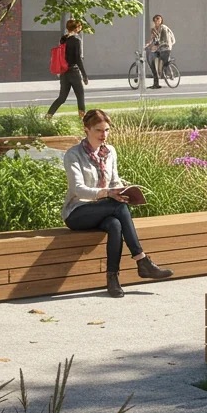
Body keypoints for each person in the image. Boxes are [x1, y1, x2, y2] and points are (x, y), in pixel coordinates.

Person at [63, 110, 174, 297]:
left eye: (106, 130)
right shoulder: (73, 154)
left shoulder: (110, 152)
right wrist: (108, 193)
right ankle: (141, 260)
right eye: (98, 130)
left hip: (104, 209)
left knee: (115, 225)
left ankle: (112, 279)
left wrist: (122, 190)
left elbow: (114, 181)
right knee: (119, 207)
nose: (103, 135)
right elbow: (78, 190)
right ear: (86, 129)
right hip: (77, 212)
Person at [46, 19, 88, 120]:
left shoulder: (63, 39)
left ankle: (48, 116)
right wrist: (84, 75)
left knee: (62, 97)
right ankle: (82, 119)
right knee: (80, 95)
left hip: (64, 71)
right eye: (80, 26)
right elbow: (77, 58)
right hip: (73, 71)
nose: (81, 28)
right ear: (77, 28)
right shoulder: (77, 40)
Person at [148, 14, 176, 89]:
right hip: (159, 48)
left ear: (161, 20)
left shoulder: (164, 28)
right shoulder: (153, 29)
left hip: (166, 47)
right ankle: (156, 82)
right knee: (150, 57)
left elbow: (164, 39)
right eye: (156, 19)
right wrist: (148, 45)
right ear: (154, 21)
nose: (157, 20)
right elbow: (152, 40)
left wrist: (156, 45)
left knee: (162, 63)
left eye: (159, 19)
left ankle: (165, 72)